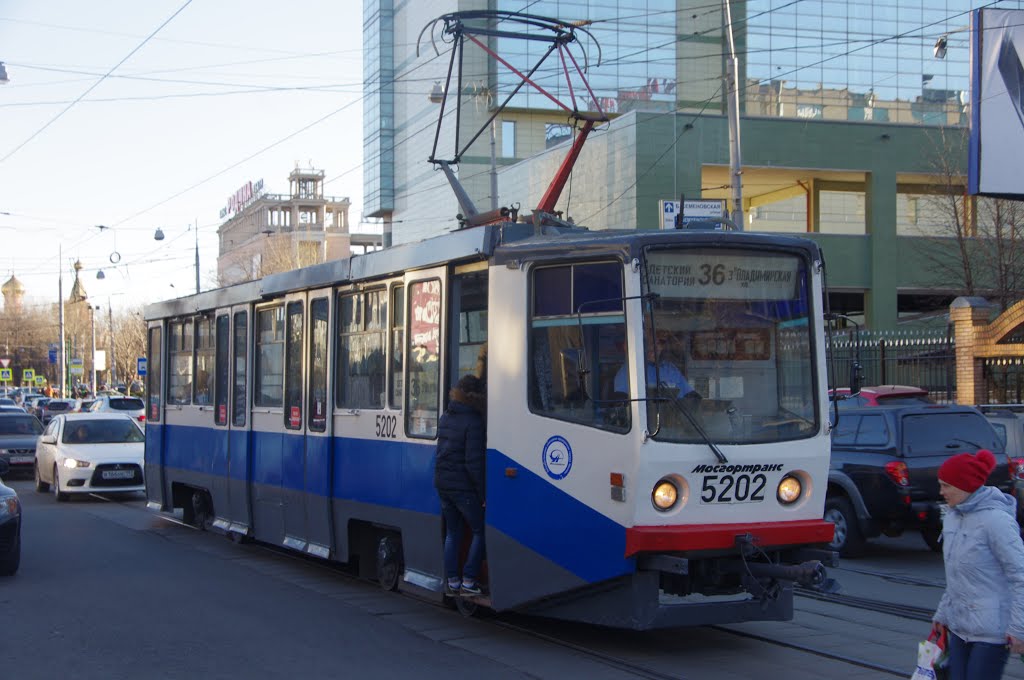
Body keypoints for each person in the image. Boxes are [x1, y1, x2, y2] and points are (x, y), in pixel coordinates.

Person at [931, 449, 1024, 679]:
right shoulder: (953, 518)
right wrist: (942, 615)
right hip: (960, 628)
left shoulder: (996, 521)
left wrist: (1019, 628)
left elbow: (1020, 576)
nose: (941, 492)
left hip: (991, 632)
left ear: (966, 485)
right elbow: (955, 576)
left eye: (946, 486)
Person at [433, 373, 486, 596]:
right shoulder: (473, 421)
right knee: (481, 530)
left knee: (453, 532)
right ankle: (469, 580)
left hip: (443, 484)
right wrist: (483, 493)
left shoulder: (446, 417)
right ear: (475, 396)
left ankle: (452, 581)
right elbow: (473, 463)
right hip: (463, 487)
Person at [614, 329, 695, 398]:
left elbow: (690, 395)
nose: (656, 347)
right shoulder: (629, 371)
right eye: (652, 343)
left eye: (660, 343)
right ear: (643, 345)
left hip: (675, 414)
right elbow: (623, 405)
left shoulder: (669, 368)